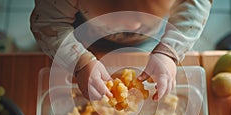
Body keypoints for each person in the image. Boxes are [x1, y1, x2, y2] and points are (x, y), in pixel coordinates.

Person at [30, 0, 212, 101]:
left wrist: (169, 51)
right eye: (119, 17)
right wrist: (78, 60)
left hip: (146, 41)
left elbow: (195, 6)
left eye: (143, 18)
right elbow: (48, 24)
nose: (133, 26)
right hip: (84, 33)